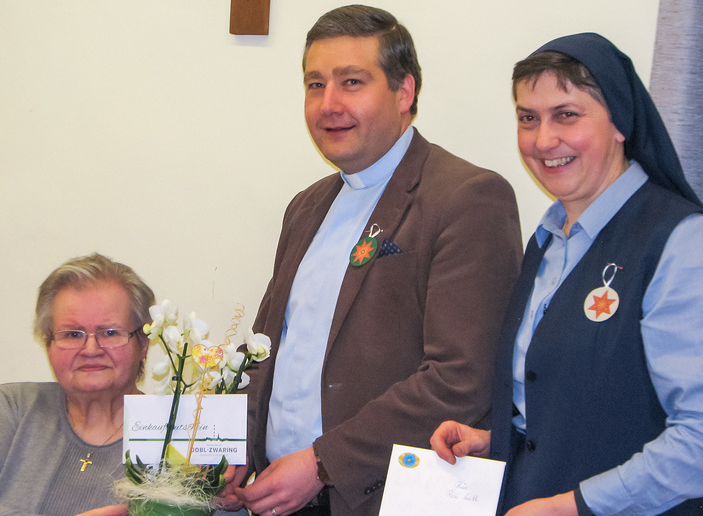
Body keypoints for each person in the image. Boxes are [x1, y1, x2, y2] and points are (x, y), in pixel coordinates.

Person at [221, 5, 523, 516]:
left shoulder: (467, 198)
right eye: (315, 85)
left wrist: (322, 463)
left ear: (404, 92)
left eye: (352, 82)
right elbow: (266, 348)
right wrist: (234, 449)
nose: (328, 104)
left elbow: (460, 381)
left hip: (380, 498)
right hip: (277, 494)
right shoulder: (306, 206)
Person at [431, 33, 703, 515]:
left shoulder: (680, 242)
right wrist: (497, 439)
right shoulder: (548, 241)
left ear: (620, 121)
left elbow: (697, 440)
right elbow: (580, 404)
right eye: (528, 118)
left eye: (566, 115)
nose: (543, 140)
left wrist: (576, 505)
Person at [0, 253, 155, 516]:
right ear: (48, 343)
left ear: (143, 343)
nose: (91, 349)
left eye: (110, 332)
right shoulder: (13, 406)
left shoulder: (170, 432)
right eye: (73, 334)